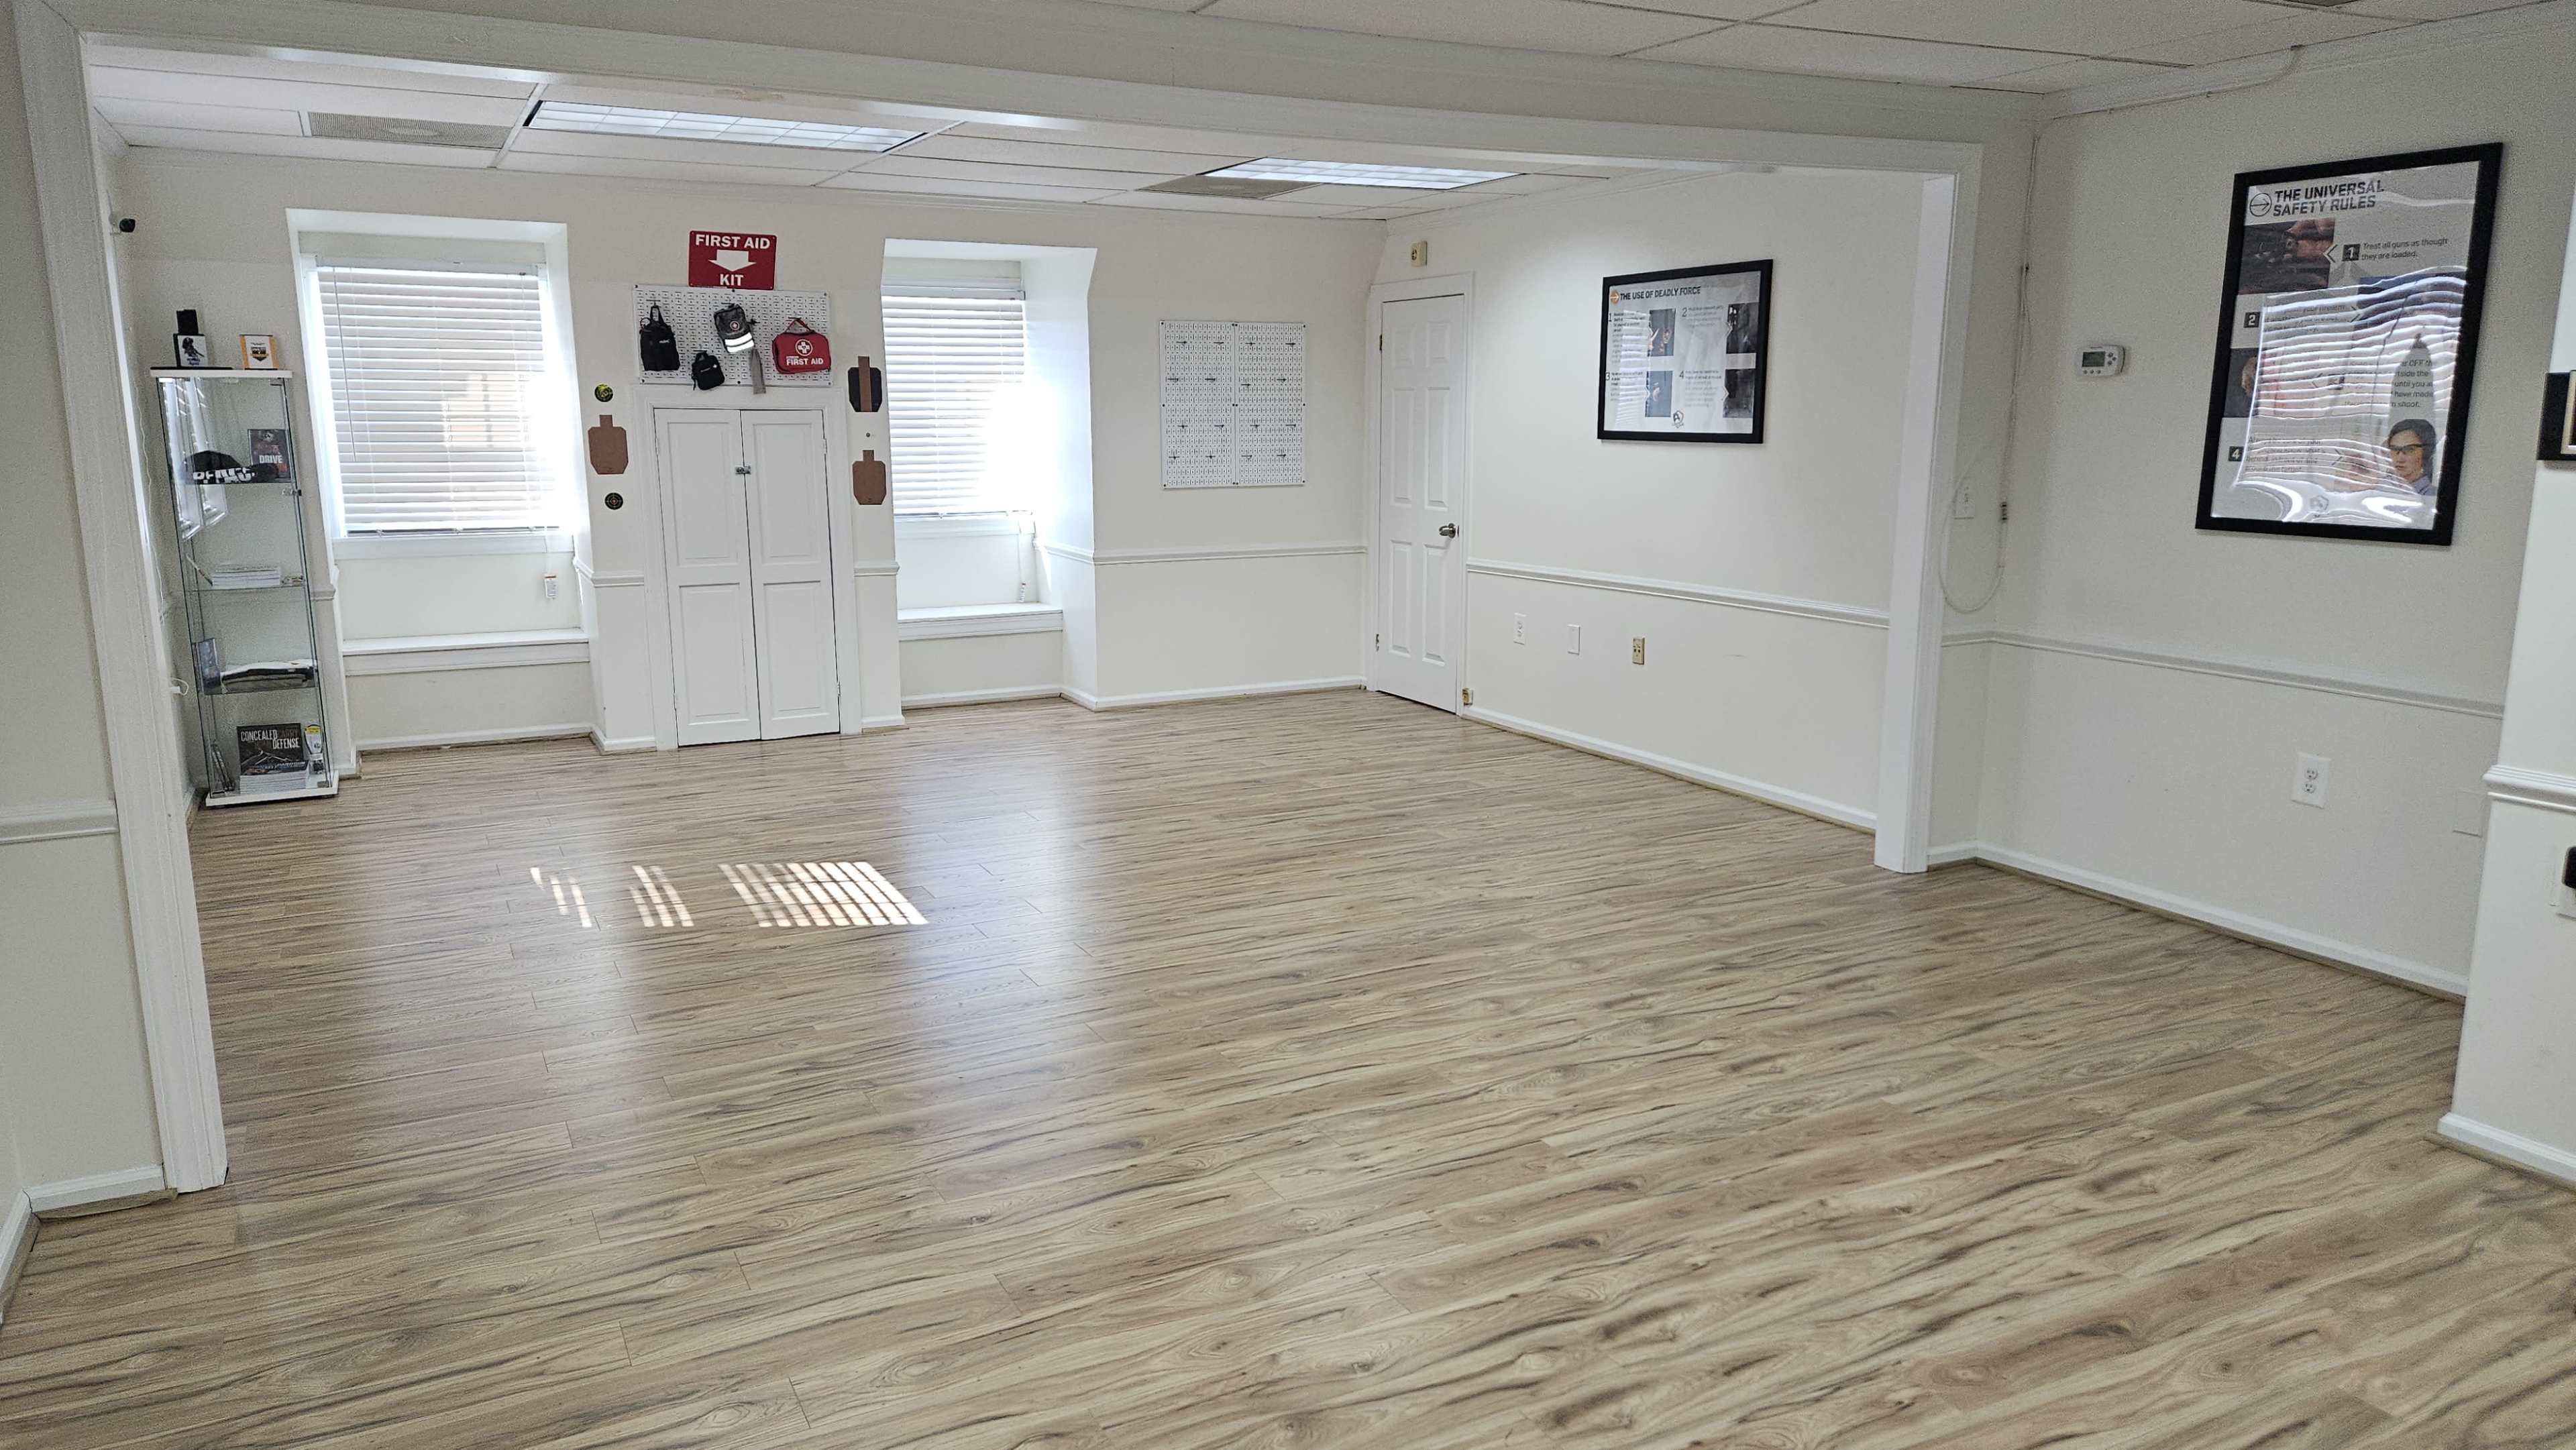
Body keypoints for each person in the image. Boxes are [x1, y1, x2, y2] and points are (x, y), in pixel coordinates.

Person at [2385, 419, 2436, 495]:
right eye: (2395, 449)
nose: (2400, 459)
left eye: (2409, 450)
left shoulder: (2432, 494)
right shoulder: (2379, 486)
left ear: (2426, 452)